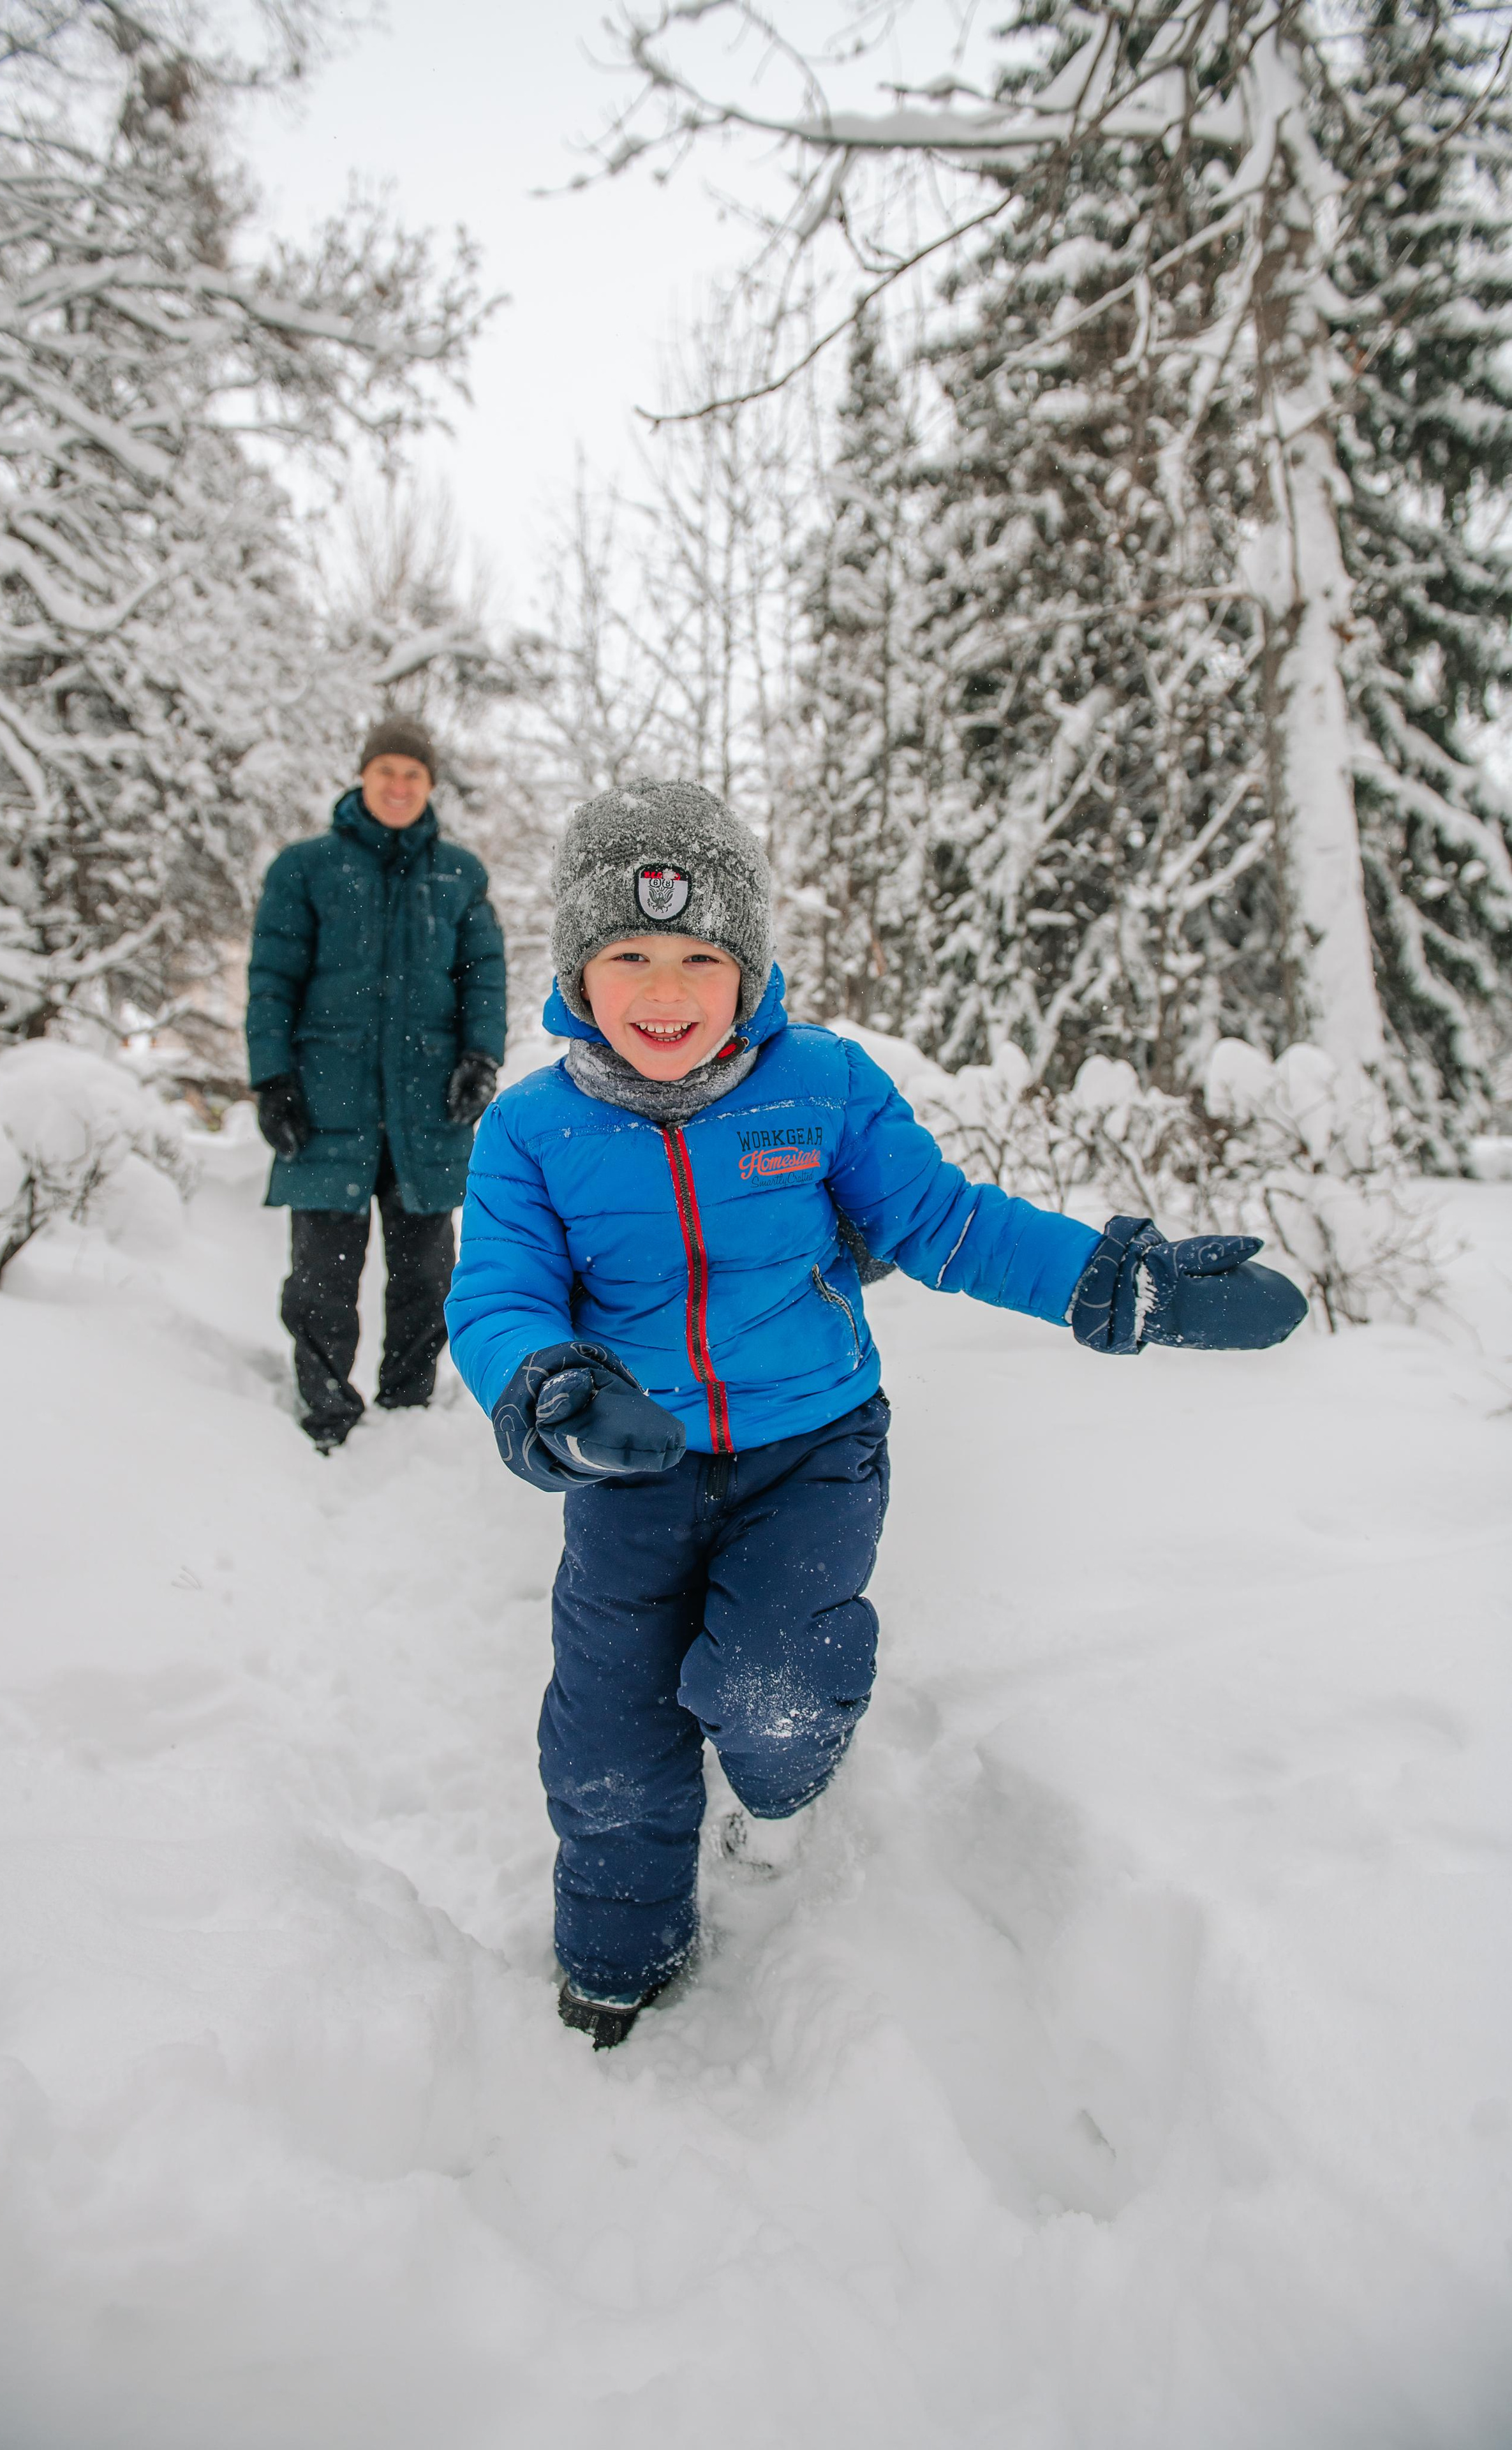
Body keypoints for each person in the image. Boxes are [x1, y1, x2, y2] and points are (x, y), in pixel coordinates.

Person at [445, 778, 1305, 2049]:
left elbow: (947, 1223)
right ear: (577, 971)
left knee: (773, 1689)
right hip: (632, 1467)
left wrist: (1103, 1283)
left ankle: (780, 1786)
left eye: (699, 955)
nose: (666, 989)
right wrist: (552, 1390)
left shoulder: (822, 1087)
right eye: (628, 956)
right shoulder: (529, 1131)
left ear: (750, 968)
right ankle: (620, 1951)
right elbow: (500, 1289)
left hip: (813, 1449)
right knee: (606, 1739)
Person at [247, 718, 506, 1451]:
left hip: (428, 1107)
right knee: (321, 1281)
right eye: (387, 769)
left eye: (413, 774)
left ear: (429, 786)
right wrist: (272, 1080)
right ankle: (327, 1414)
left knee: (427, 1274)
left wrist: (479, 1058)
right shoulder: (305, 868)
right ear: (363, 776)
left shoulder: (459, 874)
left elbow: (483, 976)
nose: (399, 785)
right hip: (326, 1100)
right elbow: (272, 980)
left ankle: (408, 1411)